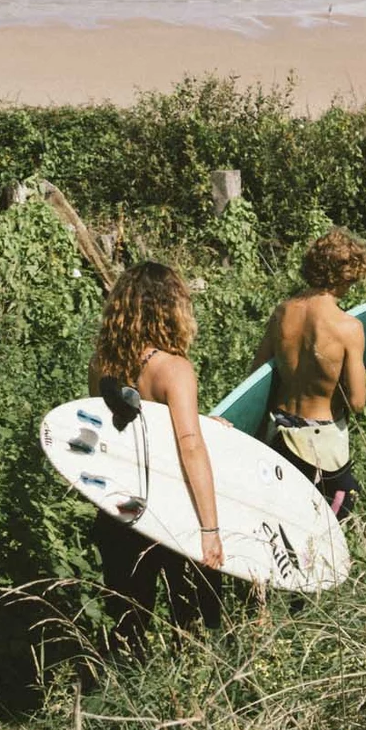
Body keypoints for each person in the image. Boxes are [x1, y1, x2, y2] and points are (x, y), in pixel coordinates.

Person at [86, 261, 224, 659]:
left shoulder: (101, 364)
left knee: (128, 622)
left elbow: (130, 429)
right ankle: (187, 699)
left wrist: (201, 421)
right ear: (170, 308)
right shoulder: (174, 368)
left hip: (119, 507)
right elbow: (189, 446)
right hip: (171, 508)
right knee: (192, 622)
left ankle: (125, 702)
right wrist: (210, 528)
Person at [250, 228, 366, 518]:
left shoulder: (282, 312)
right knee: (335, 515)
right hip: (321, 444)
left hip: (278, 434)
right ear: (347, 273)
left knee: (281, 521)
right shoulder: (347, 327)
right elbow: (357, 402)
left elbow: (255, 376)